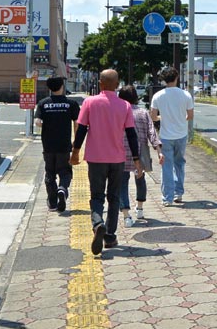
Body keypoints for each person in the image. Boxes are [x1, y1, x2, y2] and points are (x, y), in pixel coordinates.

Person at [70, 69, 140, 255]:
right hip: (118, 159)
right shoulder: (125, 106)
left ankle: (98, 223)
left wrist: (75, 152)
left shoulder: (90, 102)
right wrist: (137, 159)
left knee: (96, 196)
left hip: (95, 158)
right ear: (117, 85)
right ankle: (109, 236)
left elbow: (82, 129)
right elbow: (132, 135)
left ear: (100, 83)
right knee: (114, 197)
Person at [117, 86, 162, 226]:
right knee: (140, 179)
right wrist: (159, 150)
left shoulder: (118, 112)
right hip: (140, 150)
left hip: (121, 150)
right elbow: (151, 132)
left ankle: (126, 216)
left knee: (122, 183)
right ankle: (140, 208)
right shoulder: (143, 112)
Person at [33, 77, 79, 212]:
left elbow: (37, 122)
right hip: (64, 145)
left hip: (48, 145)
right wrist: (76, 140)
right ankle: (62, 189)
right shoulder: (71, 103)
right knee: (65, 171)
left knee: (50, 173)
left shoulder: (43, 103)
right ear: (62, 87)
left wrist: (42, 123)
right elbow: (77, 123)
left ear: (49, 88)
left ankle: (52, 203)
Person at [150, 67, 194, 206]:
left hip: (165, 135)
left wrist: (163, 117)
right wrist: (180, 118)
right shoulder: (186, 95)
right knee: (179, 163)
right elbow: (190, 116)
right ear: (177, 78)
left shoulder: (158, 96)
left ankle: (168, 198)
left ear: (163, 79)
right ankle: (178, 193)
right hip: (181, 134)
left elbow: (153, 117)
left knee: (166, 166)